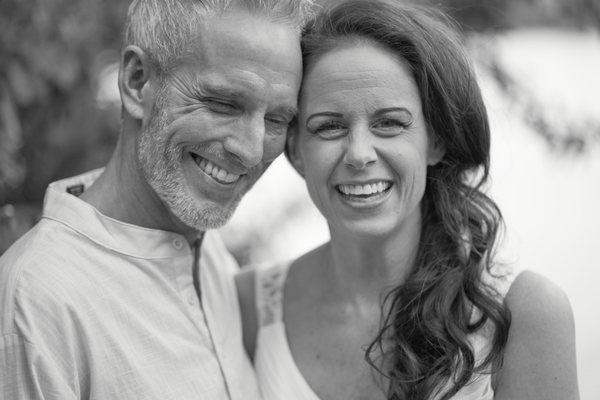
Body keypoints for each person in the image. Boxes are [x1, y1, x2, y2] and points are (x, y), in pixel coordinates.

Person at [236, 1, 580, 399]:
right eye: (329, 127)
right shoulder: (250, 308)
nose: (359, 154)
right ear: (295, 150)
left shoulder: (522, 315)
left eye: (390, 123)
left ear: (435, 140)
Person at [0, 0, 312, 398]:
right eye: (224, 104)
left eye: (276, 120)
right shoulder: (39, 302)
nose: (251, 152)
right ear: (137, 82)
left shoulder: (208, 250)